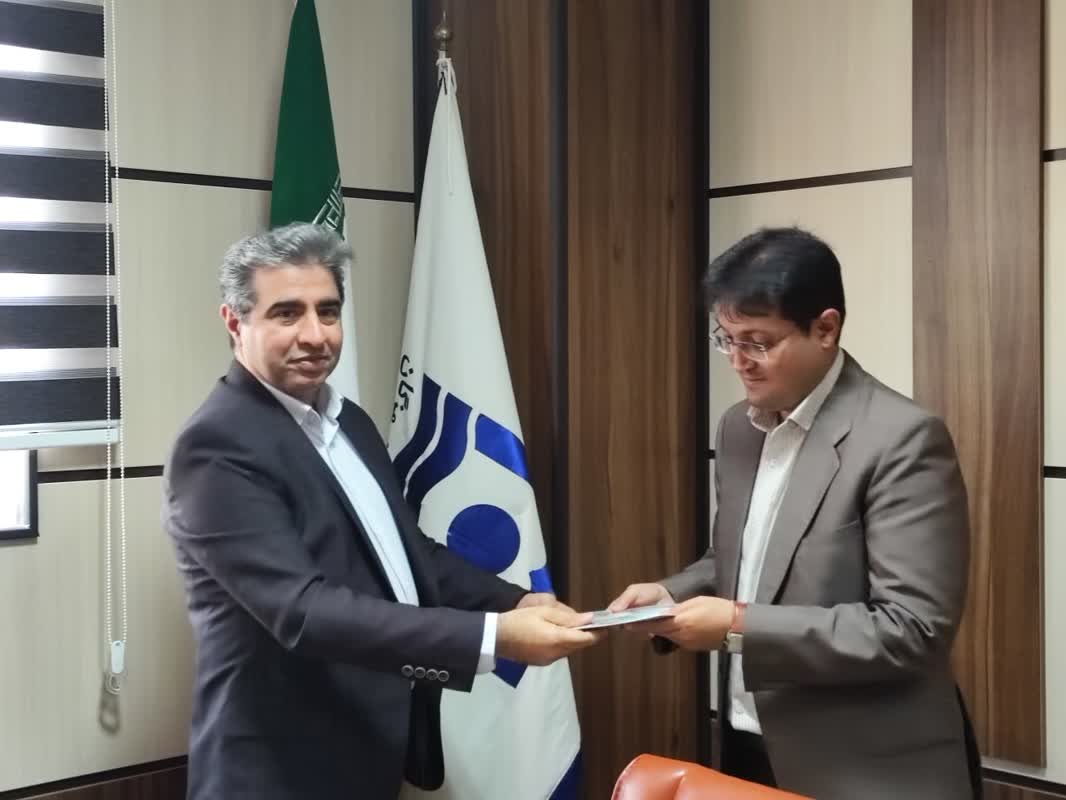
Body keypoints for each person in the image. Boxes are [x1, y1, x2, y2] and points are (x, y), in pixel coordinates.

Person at [162, 222, 600, 800]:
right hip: (275, 768)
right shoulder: (216, 447)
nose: (315, 335)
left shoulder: (350, 423)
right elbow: (303, 610)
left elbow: (411, 555)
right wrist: (493, 635)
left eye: (328, 311)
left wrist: (514, 601)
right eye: (287, 314)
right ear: (234, 322)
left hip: (368, 748)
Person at [610, 227, 980, 799]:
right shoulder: (738, 429)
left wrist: (737, 623)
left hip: (864, 767)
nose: (739, 363)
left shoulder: (901, 439)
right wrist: (670, 595)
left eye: (758, 343)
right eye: (727, 339)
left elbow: (911, 629)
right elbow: (747, 560)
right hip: (747, 744)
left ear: (825, 329)